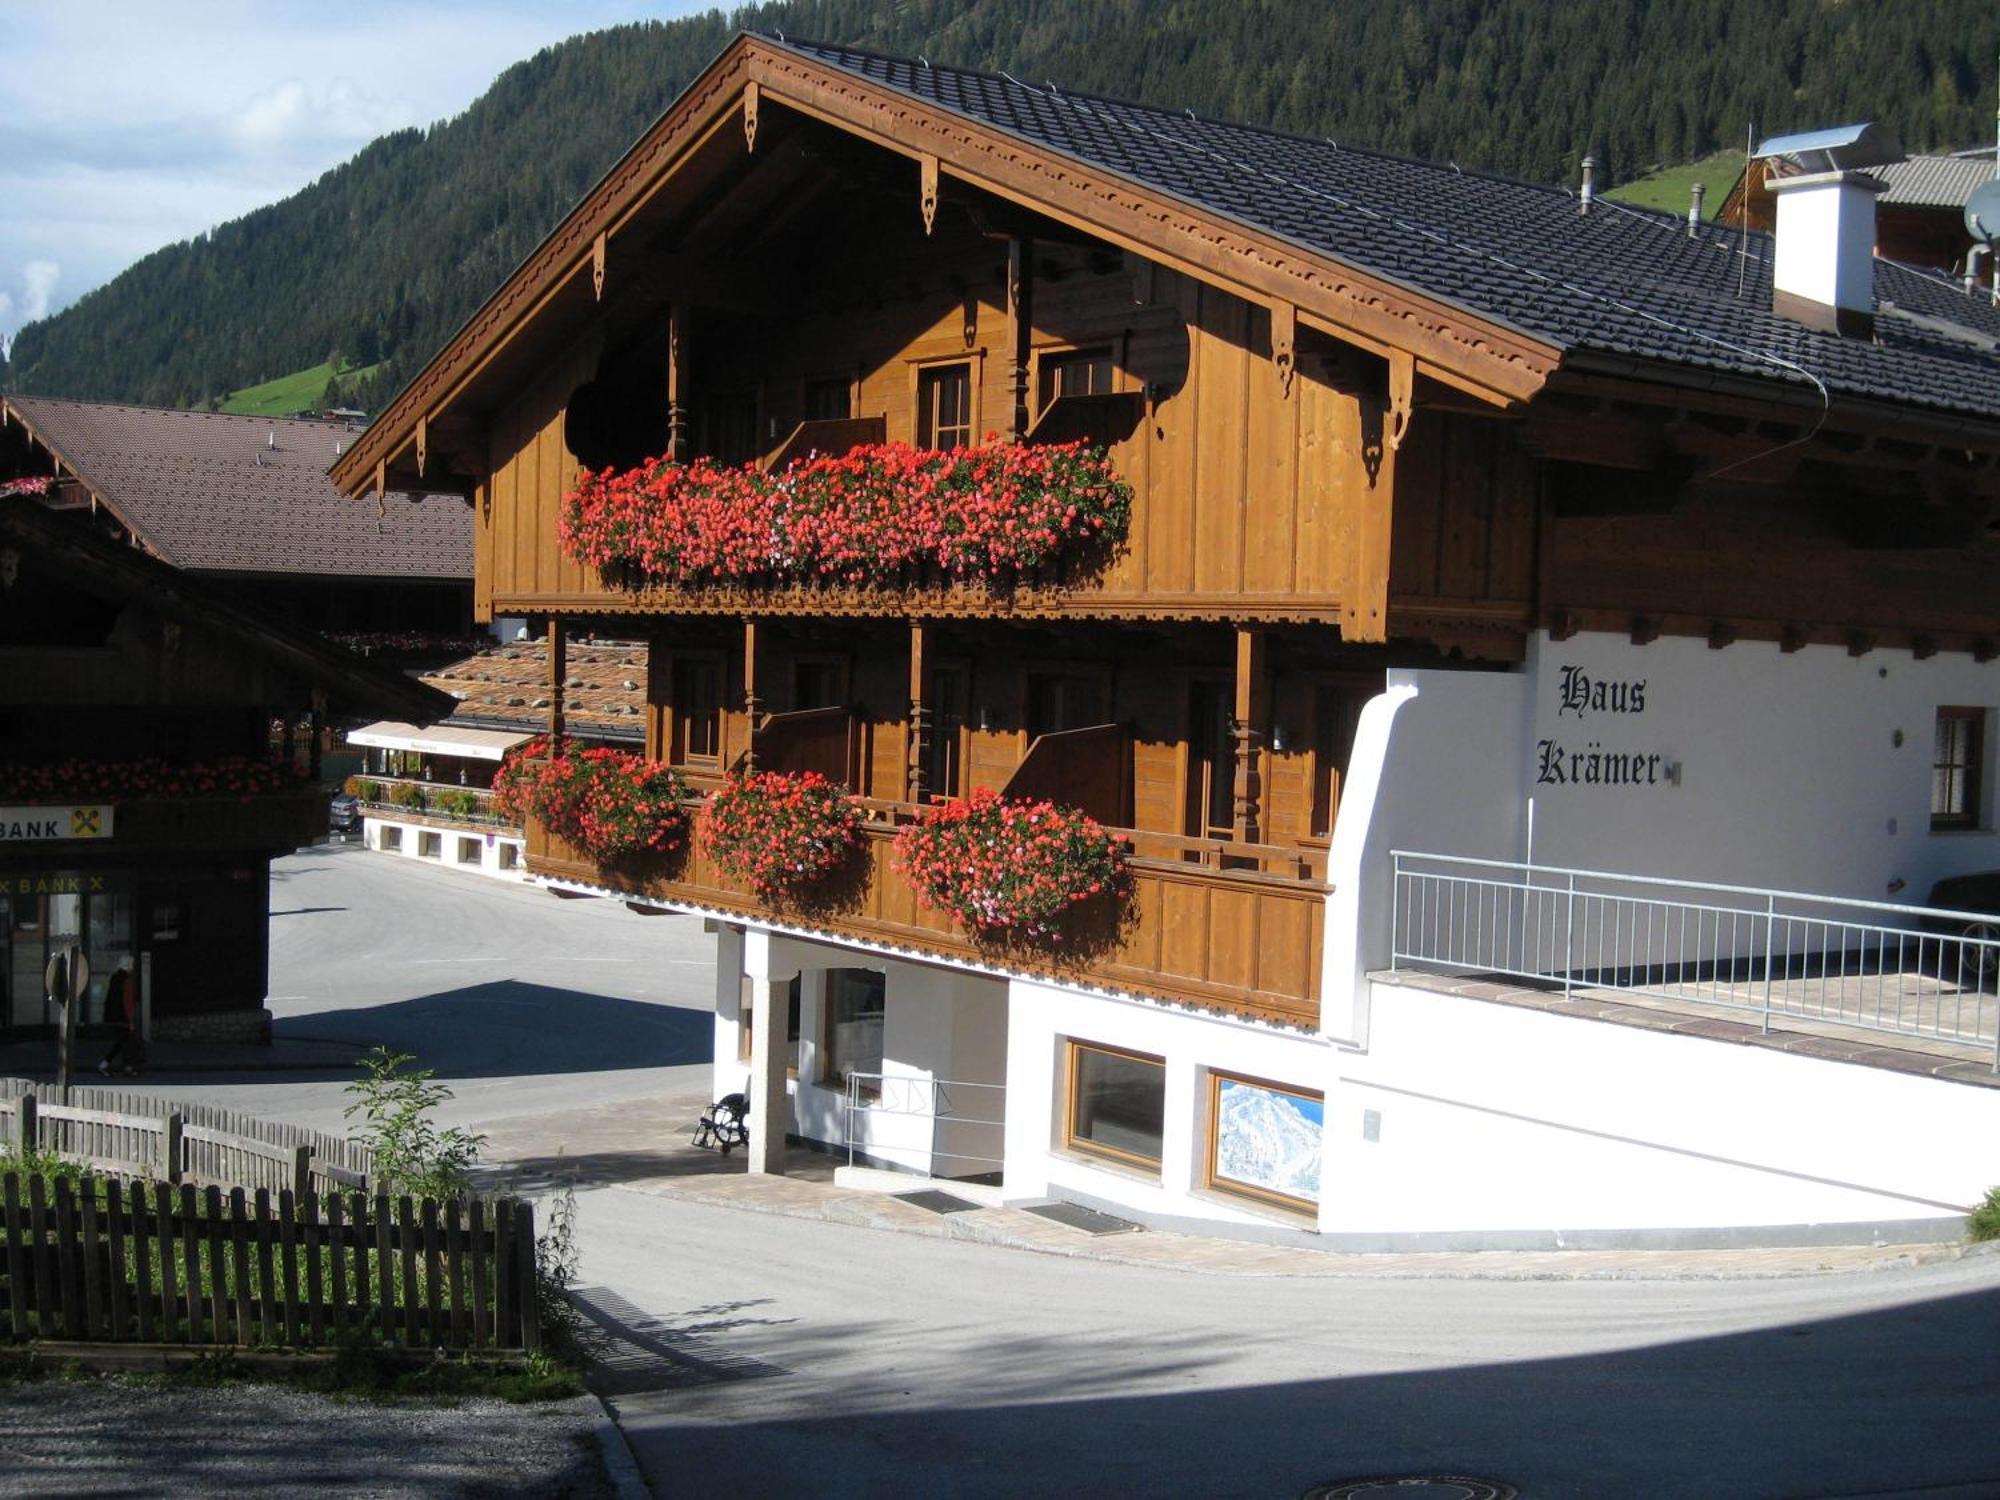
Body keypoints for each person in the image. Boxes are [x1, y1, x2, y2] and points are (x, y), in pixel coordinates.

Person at [97, 959, 143, 1076]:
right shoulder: (127, 980)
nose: (132, 968)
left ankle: (127, 1066)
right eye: (131, 965)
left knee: (123, 1041)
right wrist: (131, 1020)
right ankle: (107, 1064)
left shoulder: (115, 978)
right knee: (124, 1042)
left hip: (113, 1016)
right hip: (123, 1017)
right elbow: (128, 1002)